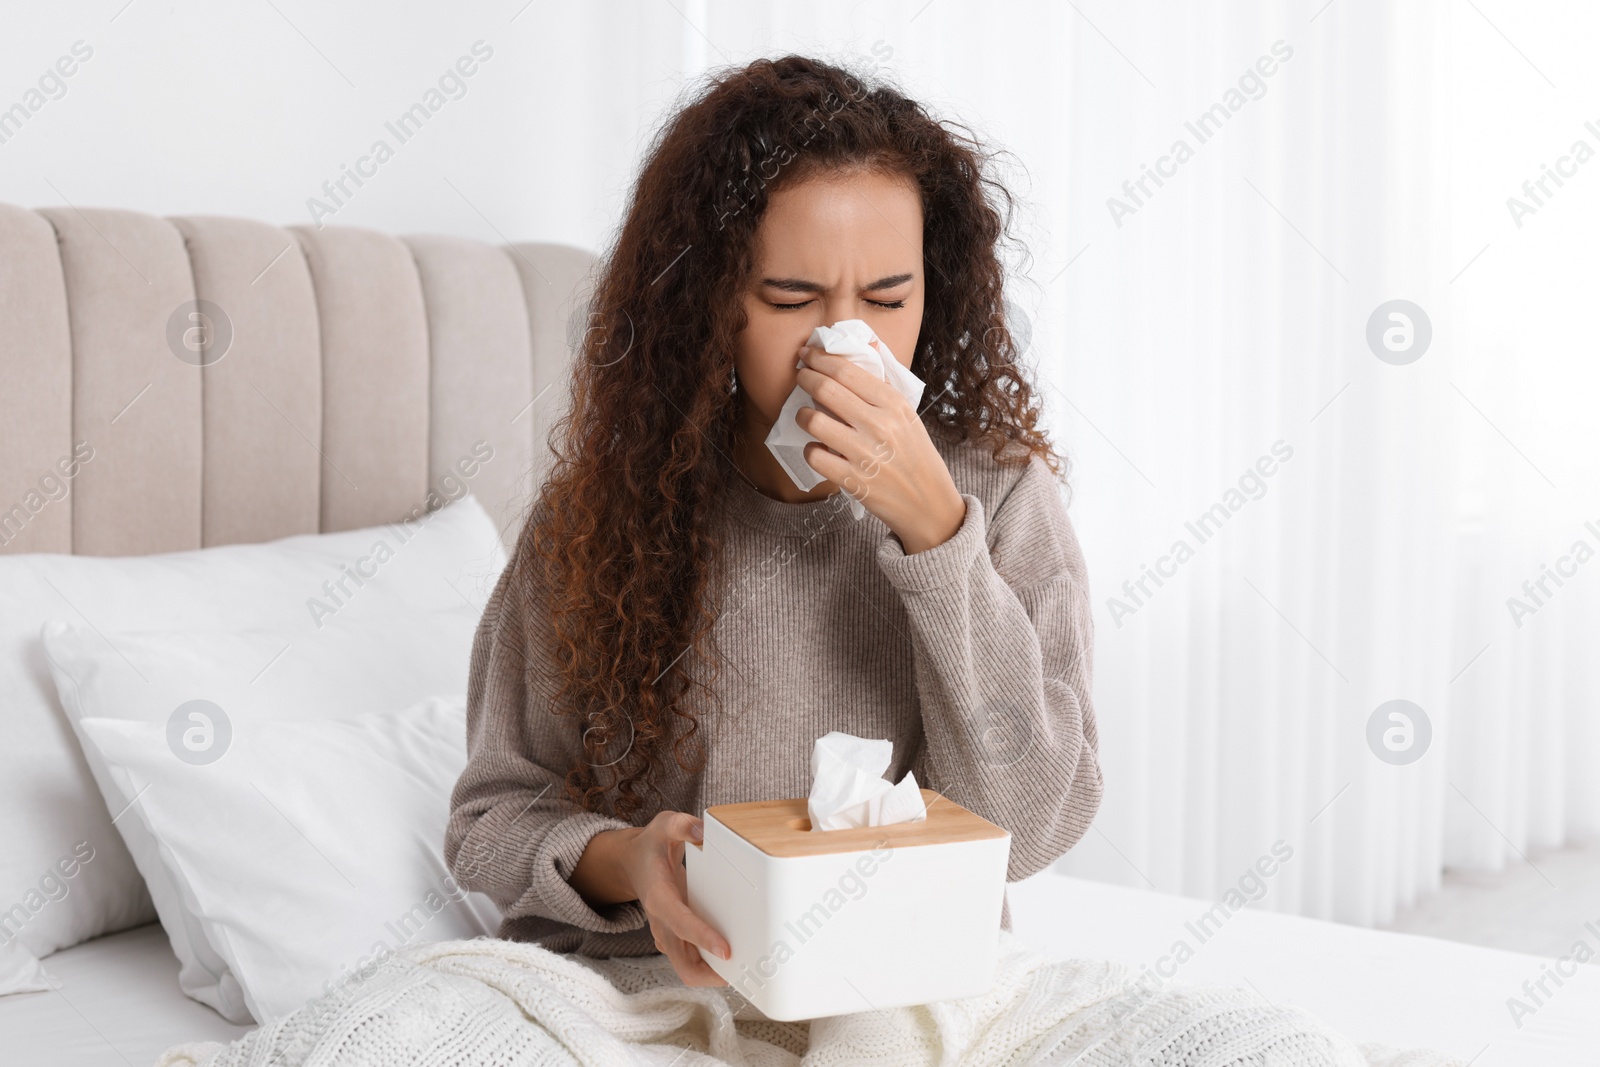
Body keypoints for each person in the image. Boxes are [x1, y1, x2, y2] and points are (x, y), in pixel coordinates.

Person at [444, 54, 1101, 991]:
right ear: (706, 305)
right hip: (653, 991)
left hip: (897, 986)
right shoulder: (609, 514)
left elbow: (1027, 828)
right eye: (791, 300)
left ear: (934, 289)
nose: (848, 344)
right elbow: (490, 819)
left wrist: (936, 536)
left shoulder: (997, 495)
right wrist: (630, 859)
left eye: (888, 297)